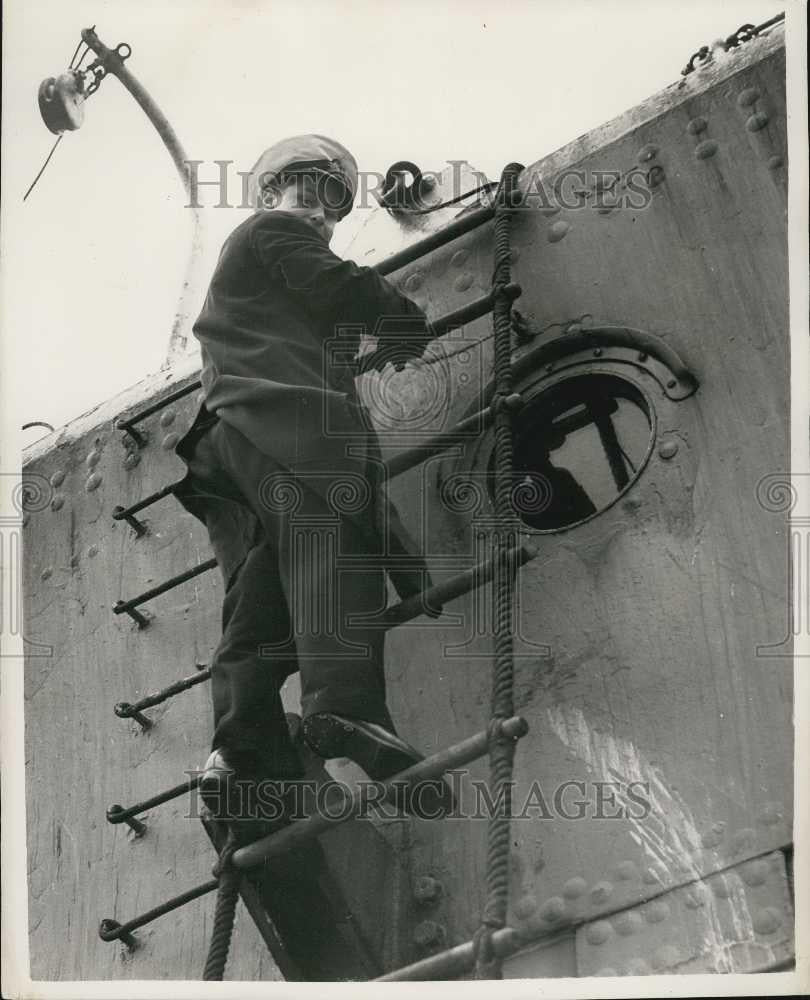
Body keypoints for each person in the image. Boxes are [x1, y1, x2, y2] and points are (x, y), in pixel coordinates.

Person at [172, 134, 454, 824]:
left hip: (236, 443)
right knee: (333, 541)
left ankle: (240, 756)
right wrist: (403, 319)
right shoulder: (270, 231)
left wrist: (409, 569)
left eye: (334, 203)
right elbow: (337, 285)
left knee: (262, 596)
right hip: (274, 419)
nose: (323, 213)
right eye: (311, 191)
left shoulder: (264, 296)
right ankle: (344, 711)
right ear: (272, 193)